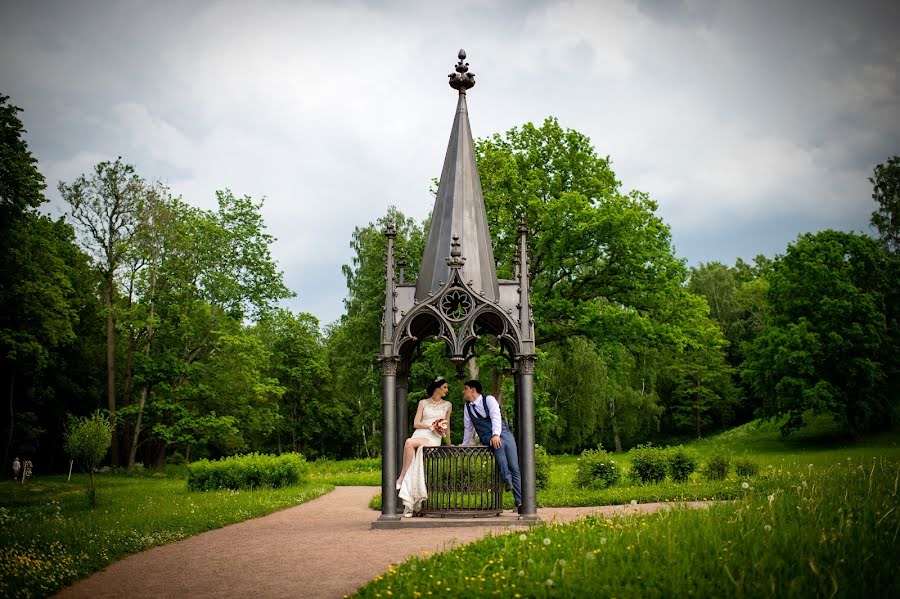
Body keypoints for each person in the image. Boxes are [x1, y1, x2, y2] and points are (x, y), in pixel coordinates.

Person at [461, 379, 522, 511]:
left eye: (465, 389)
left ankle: (520, 502)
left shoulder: (489, 400)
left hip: (503, 432)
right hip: (487, 435)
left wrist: (496, 434)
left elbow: (495, 417)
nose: (463, 392)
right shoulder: (467, 407)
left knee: (514, 466)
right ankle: (507, 479)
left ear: (472, 389)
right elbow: (468, 428)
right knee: (497, 445)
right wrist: (464, 445)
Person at [397, 376, 452, 516]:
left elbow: (447, 427)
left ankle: (402, 478)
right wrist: (431, 425)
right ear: (437, 388)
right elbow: (416, 423)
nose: (447, 390)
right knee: (413, 459)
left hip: (434, 438)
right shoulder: (423, 403)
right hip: (421, 433)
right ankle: (410, 502)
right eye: (444, 387)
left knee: (409, 442)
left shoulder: (447, 405)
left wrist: (449, 444)